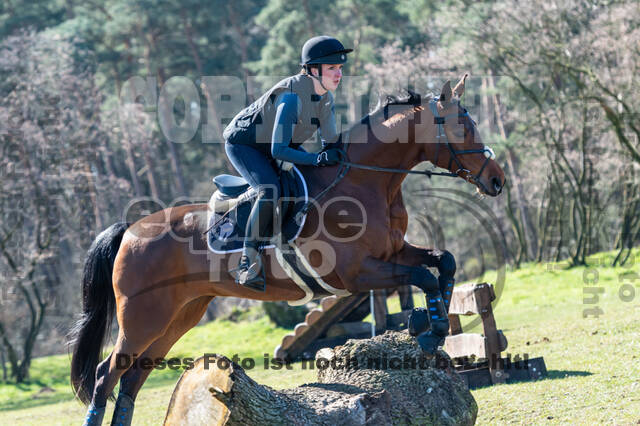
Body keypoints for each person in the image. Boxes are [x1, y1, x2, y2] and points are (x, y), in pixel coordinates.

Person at [223, 35, 351, 290]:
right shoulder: (292, 97)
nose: (338, 75)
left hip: (281, 143)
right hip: (246, 145)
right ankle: (248, 262)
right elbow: (279, 150)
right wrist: (316, 158)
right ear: (313, 70)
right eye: (332, 69)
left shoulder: (326, 98)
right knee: (269, 189)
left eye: (340, 68)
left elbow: (330, 145)